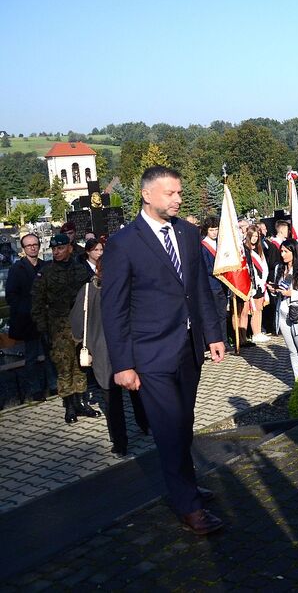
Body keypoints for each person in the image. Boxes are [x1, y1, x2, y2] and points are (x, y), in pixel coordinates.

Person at [101, 165, 226, 535]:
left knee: (183, 423)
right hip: (150, 355)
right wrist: (123, 364)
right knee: (169, 429)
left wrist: (213, 334)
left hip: (189, 348)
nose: (178, 199)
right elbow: (114, 309)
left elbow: (199, 288)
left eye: (180, 192)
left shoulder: (186, 233)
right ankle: (188, 506)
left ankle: (186, 485)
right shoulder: (124, 243)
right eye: (170, 193)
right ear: (147, 195)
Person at [70, 258, 149, 457]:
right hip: (128, 348)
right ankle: (146, 424)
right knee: (136, 390)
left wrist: (82, 339)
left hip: (102, 351)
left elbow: (76, 324)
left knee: (111, 400)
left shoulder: (88, 291)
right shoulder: (127, 288)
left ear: (97, 270)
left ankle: (120, 443)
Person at [31, 233, 97, 423]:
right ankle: (69, 406)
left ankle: (81, 402)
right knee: (64, 366)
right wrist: (43, 329)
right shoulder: (46, 273)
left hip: (80, 326)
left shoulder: (80, 270)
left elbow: (91, 294)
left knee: (81, 365)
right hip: (58, 328)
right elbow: (37, 303)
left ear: (69, 248)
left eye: (60, 248)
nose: (56, 252)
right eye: (53, 249)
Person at [6, 233, 57, 402]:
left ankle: (53, 385)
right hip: (28, 320)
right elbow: (11, 296)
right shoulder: (16, 269)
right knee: (32, 357)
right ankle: (36, 390)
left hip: (46, 318)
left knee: (50, 354)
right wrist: (27, 309)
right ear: (23, 249)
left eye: (35, 244)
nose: (33, 247)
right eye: (29, 245)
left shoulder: (46, 266)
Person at [269, 239, 298, 379]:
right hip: (284, 314)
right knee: (292, 352)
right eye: (281, 251)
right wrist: (274, 290)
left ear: (294, 252)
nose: (282, 254)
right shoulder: (279, 268)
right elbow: (280, 290)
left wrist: (292, 294)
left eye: (286, 251)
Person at [200, 216, 232, 351]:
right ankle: (209, 343)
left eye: (216, 229)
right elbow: (206, 267)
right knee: (211, 316)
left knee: (222, 315)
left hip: (223, 284)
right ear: (206, 230)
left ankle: (224, 341)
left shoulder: (221, 244)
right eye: (211, 230)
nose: (214, 232)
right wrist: (220, 269)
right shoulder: (203, 246)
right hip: (212, 285)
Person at [239, 225, 270, 344]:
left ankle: (257, 333)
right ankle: (246, 337)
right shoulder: (245, 249)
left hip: (261, 283)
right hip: (250, 283)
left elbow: (264, 266)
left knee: (259, 308)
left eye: (256, 236)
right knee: (248, 311)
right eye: (252, 236)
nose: (254, 238)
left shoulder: (259, 248)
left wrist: (263, 281)